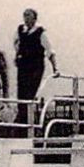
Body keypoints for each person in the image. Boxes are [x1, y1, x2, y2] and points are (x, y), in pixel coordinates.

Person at [12, 9, 59, 137]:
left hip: (35, 67)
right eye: (25, 16)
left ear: (35, 18)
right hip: (23, 67)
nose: (26, 18)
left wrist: (55, 67)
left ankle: (30, 126)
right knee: (21, 96)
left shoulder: (41, 33)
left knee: (30, 94)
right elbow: (16, 44)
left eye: (29, 16)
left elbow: (49, 51)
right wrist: (18, 56)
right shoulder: (20, 31)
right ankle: (22, 127)